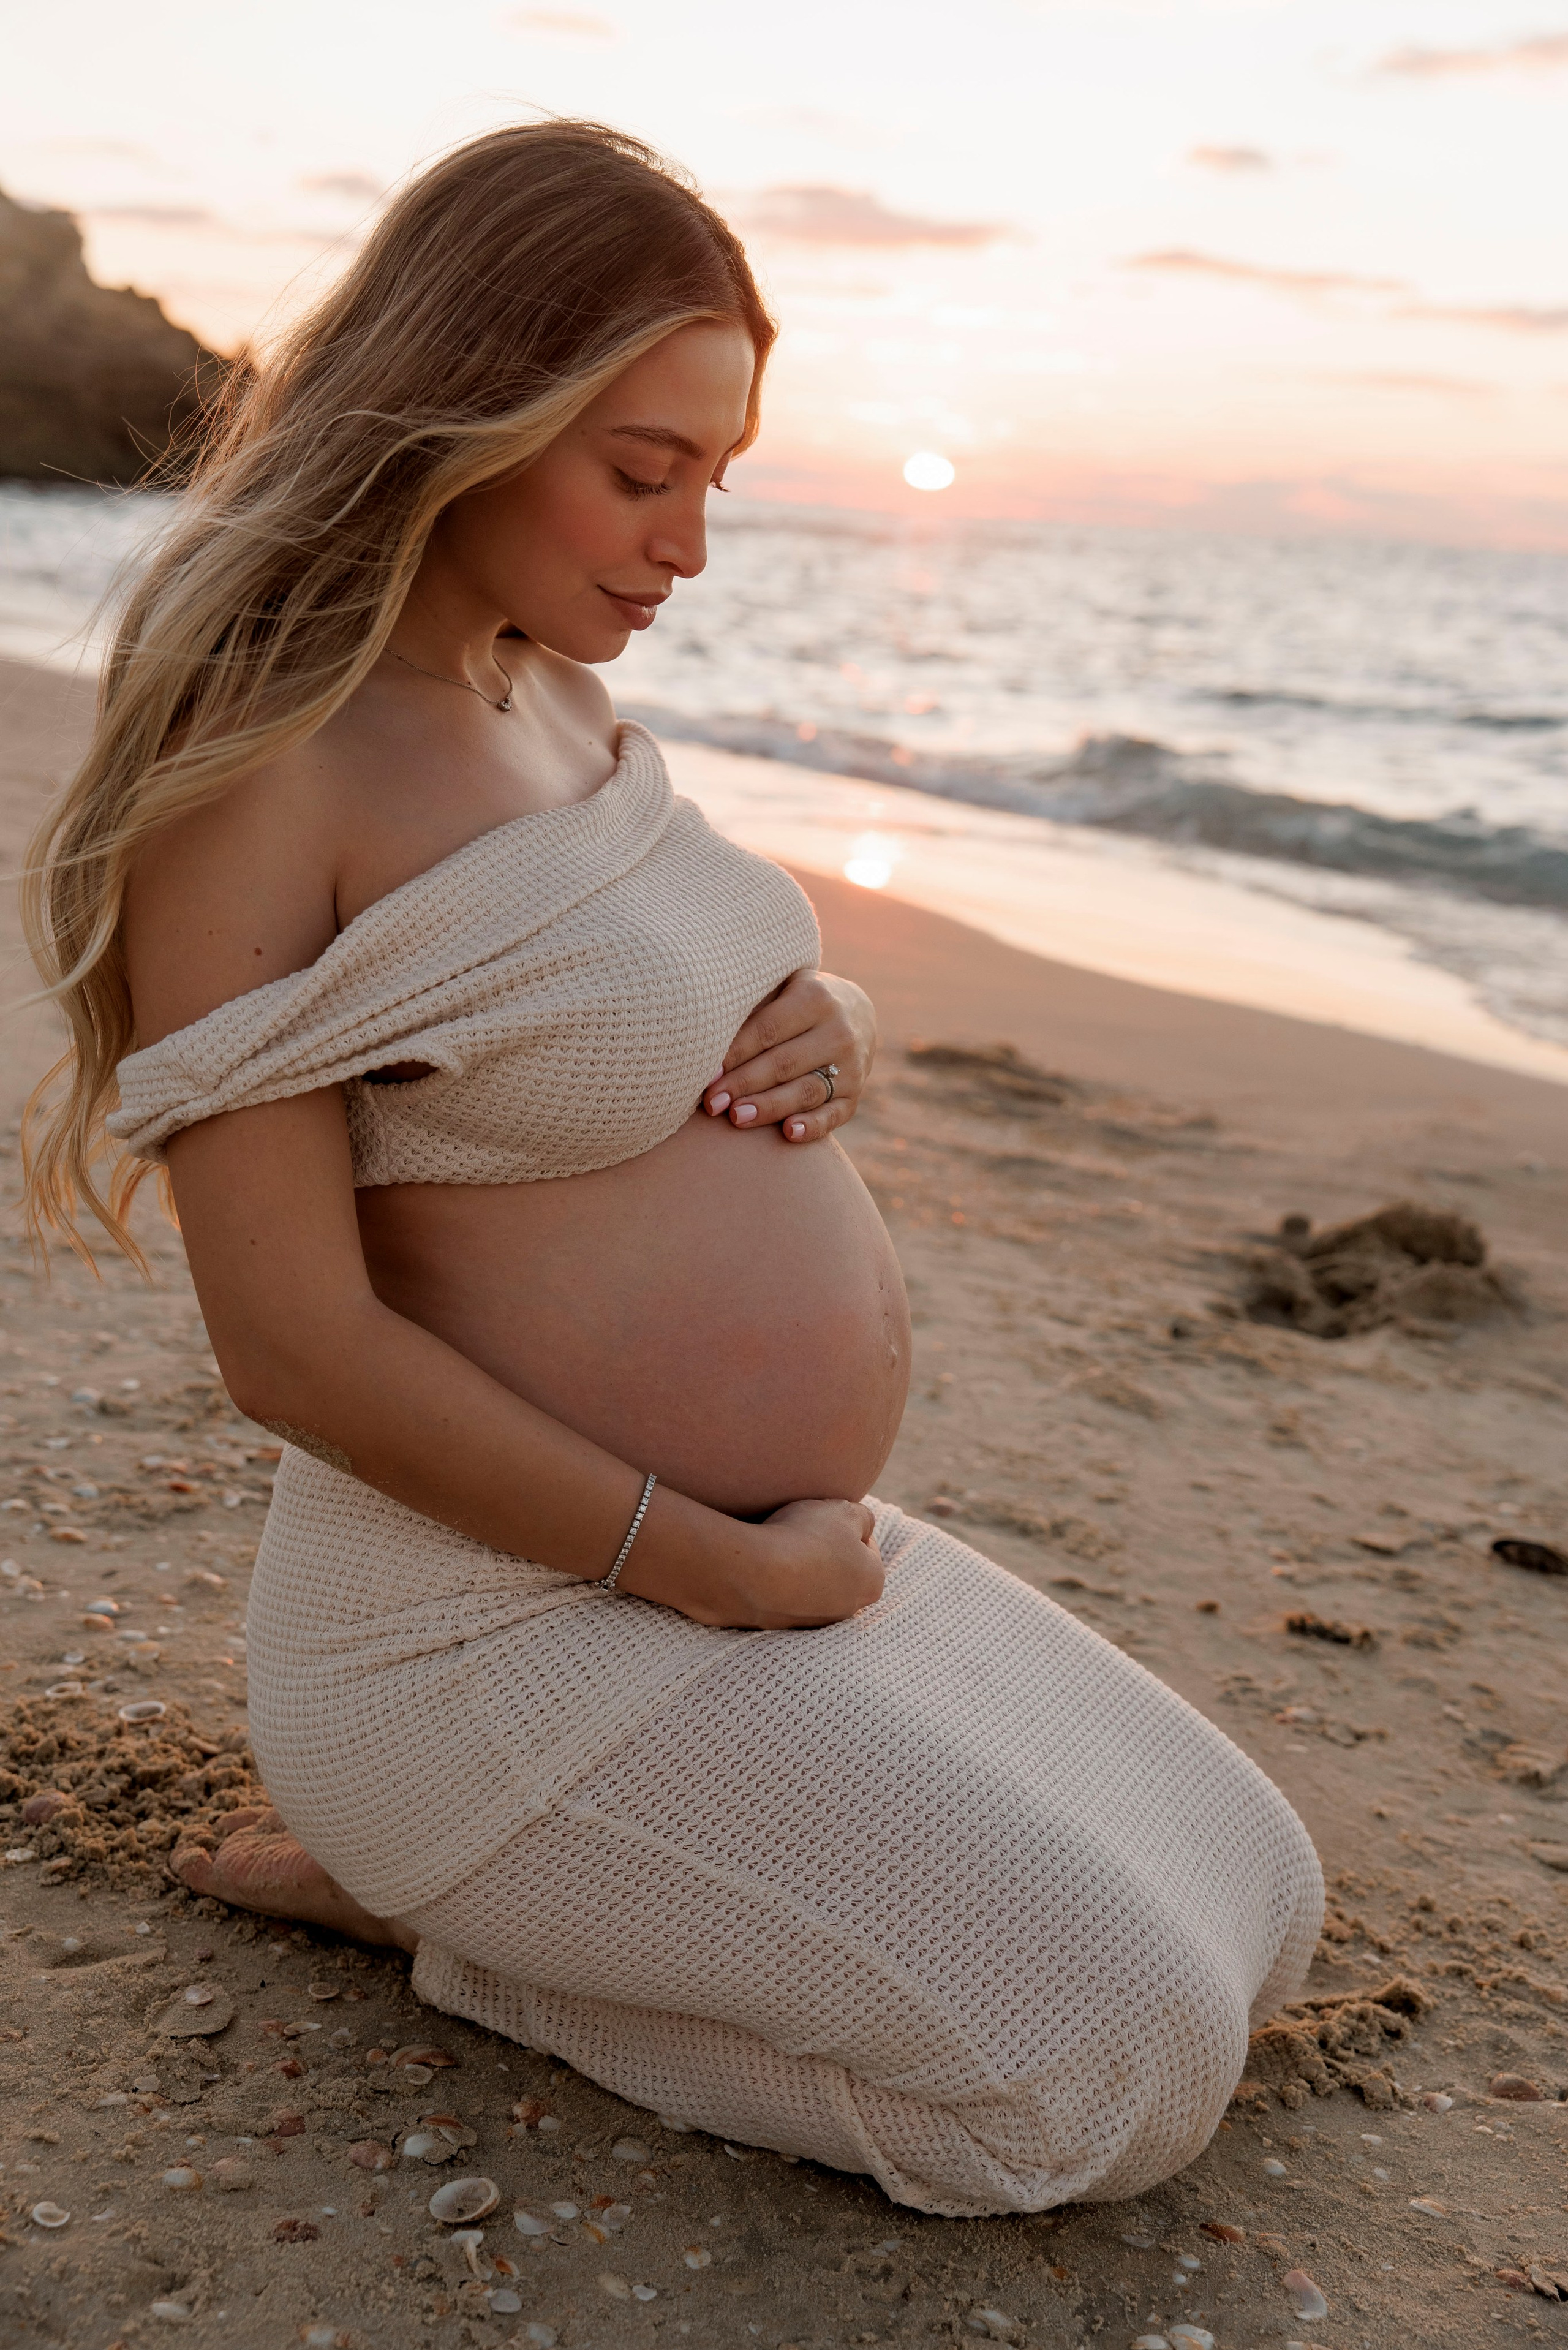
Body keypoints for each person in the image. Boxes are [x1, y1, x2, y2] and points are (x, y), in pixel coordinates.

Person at [21, 120, 1321, 2218]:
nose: (689, 550)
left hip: (743, 1552)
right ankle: (450, 1928)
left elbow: (637, 998)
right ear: (464, 409)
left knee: (1268, 1900)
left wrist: (844, 1021)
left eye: (717, 479)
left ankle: (550, 1889)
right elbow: (292, 1349)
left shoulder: (554, 697)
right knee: (1103, 2086)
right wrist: (711, 1570)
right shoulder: (265, 784)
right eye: (643, 473)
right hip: (483, 1642)